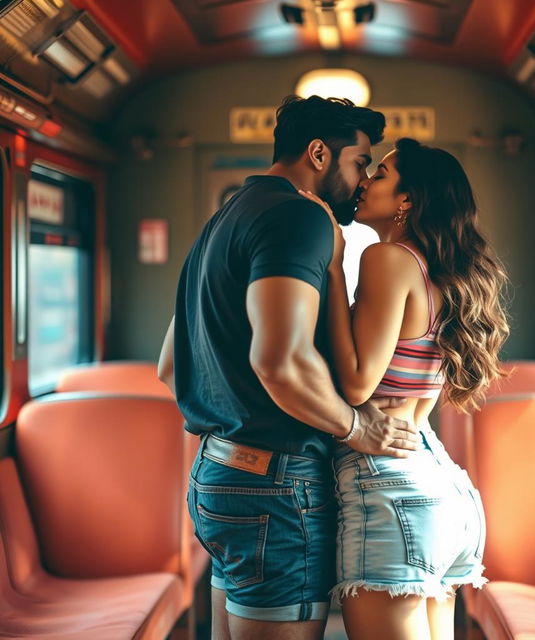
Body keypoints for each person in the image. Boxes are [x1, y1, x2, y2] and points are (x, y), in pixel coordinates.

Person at [157, 96, 421, 640]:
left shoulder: (224, 219)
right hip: (274, 488)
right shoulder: (301, 216)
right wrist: (357, 427)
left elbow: (169, 367)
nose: (364, 178)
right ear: (319, 154)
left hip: (216, 477)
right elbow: (281, 361)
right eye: (358, 163)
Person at [299, 137, 510, 640]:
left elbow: (355, 384)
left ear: (407, 200)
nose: (366, 180)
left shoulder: (387, 259)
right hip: (440, 486)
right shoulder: (443, 269)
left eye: (383, 174)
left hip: (389, 489)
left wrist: (332, 264)